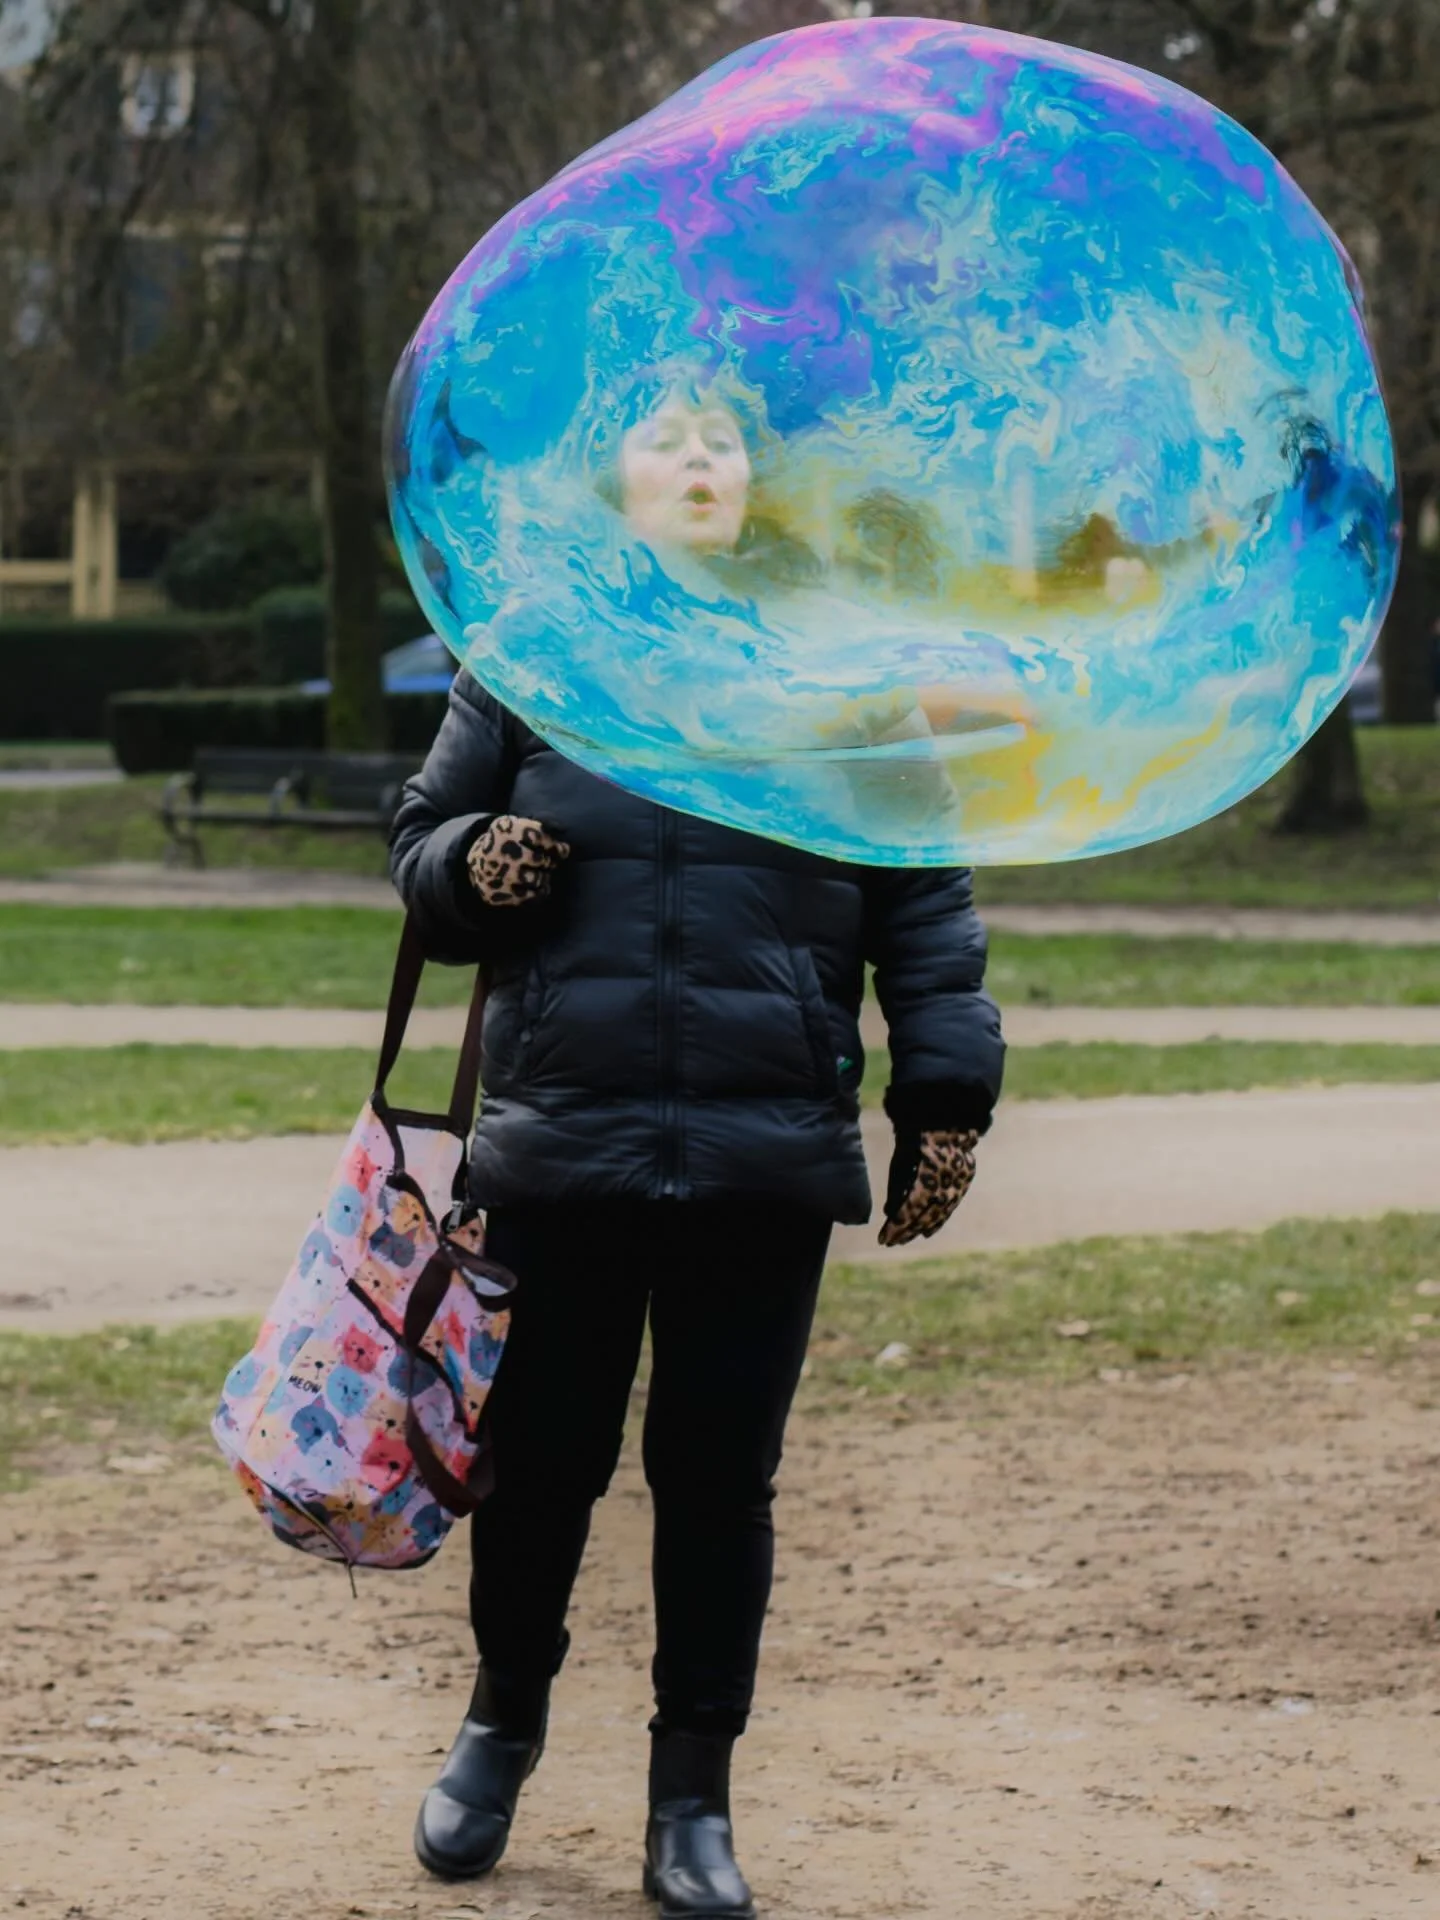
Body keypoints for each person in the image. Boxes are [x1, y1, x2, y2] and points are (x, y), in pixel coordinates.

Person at [389, 377, 1005, 1918]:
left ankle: (692, 1802)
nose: (698, 458)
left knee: (720, 1482)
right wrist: (476, 862)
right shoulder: (532, 653)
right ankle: (499, 1729)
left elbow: (924, 898)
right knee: (541, 1468)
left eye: (723, 437)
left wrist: (944, 1096)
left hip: (762, 1145)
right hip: (563, 1140)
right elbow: (417, 849)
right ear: (618, 476)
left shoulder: (835, 669)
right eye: (666, 436)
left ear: (755, 479)